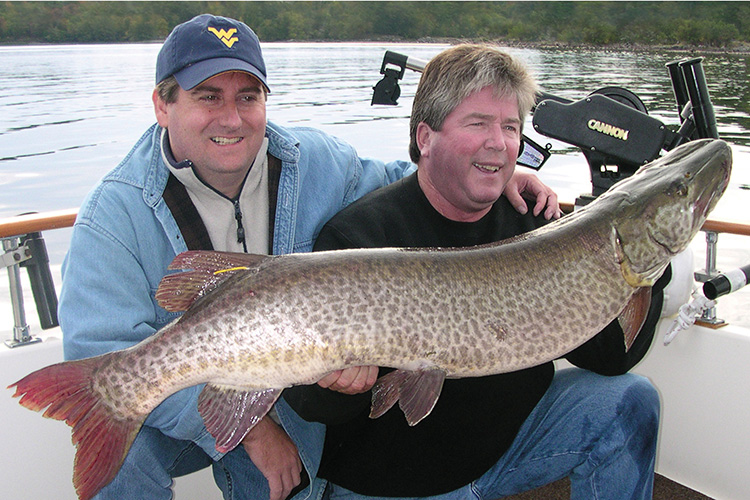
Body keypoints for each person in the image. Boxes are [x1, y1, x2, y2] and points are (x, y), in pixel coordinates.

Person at [57, 15, 559, 500]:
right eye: (208, 97)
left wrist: (492, 175)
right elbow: (96, 345)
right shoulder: (113, 213)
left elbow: (404, 181)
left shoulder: (316, 160)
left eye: (247, 97)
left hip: (284, 389)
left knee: (283, 480)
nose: (231, 117)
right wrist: (253, 432)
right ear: (162, 106)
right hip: (182, 401)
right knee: (125, 461)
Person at [282, 44, 669, 500]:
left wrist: (647, 263)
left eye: (510, 127)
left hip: (509, 448)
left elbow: (611, 357)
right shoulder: (361, 236)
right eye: (478, 123)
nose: (499, 142)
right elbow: (309, 403)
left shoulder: (535, 218)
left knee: (629, 399)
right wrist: (340, 386)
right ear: (425, 138)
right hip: (396, 479)